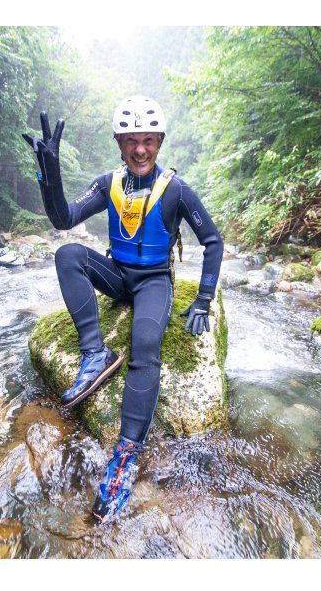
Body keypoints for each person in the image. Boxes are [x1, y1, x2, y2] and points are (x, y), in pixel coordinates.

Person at [22, 95, 223, 523]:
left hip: (154, 282)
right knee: (68, 253)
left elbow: (214, 241)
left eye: (148, 140)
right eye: (131, 140)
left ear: (160, 141)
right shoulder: (107, 182)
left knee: (145, 341)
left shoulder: (176, 188)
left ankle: (126, 456)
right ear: (118, 141)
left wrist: (204, 298)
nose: (140, 150)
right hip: (118, 275)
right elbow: (63, 218)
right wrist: (48, 174)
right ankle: (95, 354)